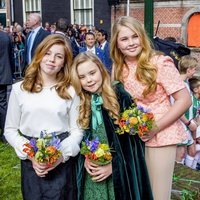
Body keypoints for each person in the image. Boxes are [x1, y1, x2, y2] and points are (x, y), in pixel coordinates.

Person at [110, 16, 191, 200]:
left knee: (157, 194)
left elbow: (184, 100)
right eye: (124, 39)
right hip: (132, 138)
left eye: (135, 36)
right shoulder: (118, 66)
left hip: (161, 136)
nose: (131, 43)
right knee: (137, 192)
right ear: (117, 43)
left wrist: (156, 127)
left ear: (142, 37)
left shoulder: (160, 63)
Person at [4, 34, 83, 200]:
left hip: (61, 159)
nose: (51, 59)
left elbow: (77, 131)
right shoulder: (20, 89)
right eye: (47, 53)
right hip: (31, 158)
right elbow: (10, 130)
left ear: (64, 63)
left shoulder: (70, 91)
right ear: (39, 55)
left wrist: (60, 155)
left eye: (58, 56)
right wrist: (31, 154)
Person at [71, 52, 153, 200]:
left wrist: (114, 168)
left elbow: (133, 145)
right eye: (82, 77)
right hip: (93, 175)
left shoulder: (120, 96)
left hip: (118, 175)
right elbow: (82, 137)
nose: (89, 80)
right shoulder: (82, 101)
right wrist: (85, 159)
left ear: (101, 70)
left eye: (92, 73)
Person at [177, 56, 198, 168]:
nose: (195, 72)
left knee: (185, 153)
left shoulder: (185, 83)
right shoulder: (179, 83)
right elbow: (176, 108)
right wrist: (188, 123)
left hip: (186, 126)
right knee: (179, 155)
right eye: (194, 69)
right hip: (181, 125)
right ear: (188, 69)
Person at [0, 30, 14, 141]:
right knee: (3, 104)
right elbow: (11, 56)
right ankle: (5, 134)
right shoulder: (6, 36)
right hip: (4, 74)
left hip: (4, 74)